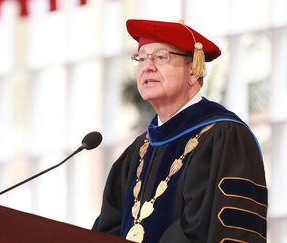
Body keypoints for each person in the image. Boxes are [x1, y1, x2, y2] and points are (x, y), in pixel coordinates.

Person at [92, 19, 267, 243]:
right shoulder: (137, 153)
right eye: (141, 58)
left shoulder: (223, 137)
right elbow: (107, 229)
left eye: (161, 57)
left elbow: (220, 229)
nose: (148, 66)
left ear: (193, 71)